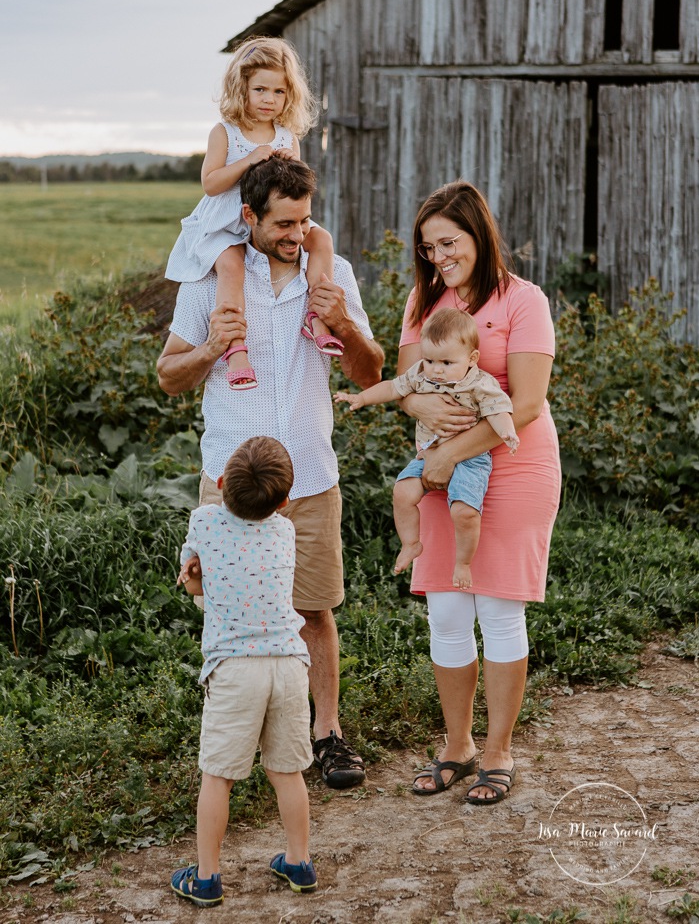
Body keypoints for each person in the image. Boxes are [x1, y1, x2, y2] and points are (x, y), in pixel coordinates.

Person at [157, 156, 384, 791]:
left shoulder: (331, 273)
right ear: (250, 215)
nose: (298, 234)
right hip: (232, 483)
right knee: (225, 610)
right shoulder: (210, 282)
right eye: (284, 222)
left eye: (305, 220)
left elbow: (370, 372)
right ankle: (233, 743)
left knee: (313, 611)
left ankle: (328, 735)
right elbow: (168, 377)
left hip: (310, 475)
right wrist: (208, 348)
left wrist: (340, 321)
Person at [398, 181, 560, 803]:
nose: (439, 256)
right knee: (445, 611)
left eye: (449, 242)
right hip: (444, 470)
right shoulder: (424, 300)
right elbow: (409, 383)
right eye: (429, 246)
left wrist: (446, 455)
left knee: (498, 609)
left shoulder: (524, 300)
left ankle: (498, 752)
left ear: (478, 234)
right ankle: (457, 746)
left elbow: (525, 403)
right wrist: (416, 409)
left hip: (515, 467)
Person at [170, 437, 317, 906]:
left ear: (218, 485)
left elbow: (191, 573)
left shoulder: (203, 519)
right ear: (285, 501)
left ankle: (208, 877)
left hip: (235, 668)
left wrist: (192, 575)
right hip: (290, 664)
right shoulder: (285, 531)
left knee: (218, 777)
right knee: (287, 771)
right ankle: (299, 861)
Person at [165, 36, 341, 391]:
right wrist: (249, 160)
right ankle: (235, 348)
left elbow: (294, 187)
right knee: (231, 267)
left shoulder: (287, 136)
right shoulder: (226, 133)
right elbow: (211, 183)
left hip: (269, 222)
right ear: (240, 88)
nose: (269, 100)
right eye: (260, 89)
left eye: (278, 92)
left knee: (322, 239)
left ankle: (317, 317)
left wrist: (291, 166)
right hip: (227, 224)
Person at [334, 308, 519, 589]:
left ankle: (464, 562)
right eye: (430, 359)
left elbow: (497, 410)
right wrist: (361, 398)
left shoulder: (480, 383)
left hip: (470, 458)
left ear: (471, 359)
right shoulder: (421, 375)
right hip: (428, 453)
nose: (436, 369)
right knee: (402, 492)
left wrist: (507, 431)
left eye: (446, 362)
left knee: (464, 512)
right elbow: (393, 388)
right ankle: (410, 543)